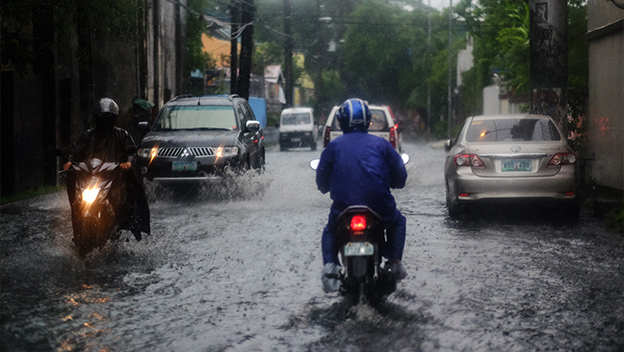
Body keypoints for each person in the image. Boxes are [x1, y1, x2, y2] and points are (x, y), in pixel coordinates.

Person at [316, 98, 408, 293]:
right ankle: (394, 262)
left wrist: (325, 187)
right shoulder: (382, 145)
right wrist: (394, 183)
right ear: (367, 122)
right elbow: (400, 176)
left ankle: (331, 268)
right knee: (397, 222)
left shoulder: (333, 146)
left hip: (343, 207)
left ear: (342, 122)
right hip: (379, 205)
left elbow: (321, 180)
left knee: (331, 230)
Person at [63, 97, 150, 241]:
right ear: (96, 118)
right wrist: (70, 161)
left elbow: (130, 151)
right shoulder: (88, 135)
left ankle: (123, 222)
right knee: (77, 202)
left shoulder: (121, 135)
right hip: (90, 176)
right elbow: (76, 150)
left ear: (114, 119)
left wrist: (127, 162)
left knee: (125, 197)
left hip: (113, 177)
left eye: (108, 118)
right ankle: (78, 230)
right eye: (102, 118)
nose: (104, 121)